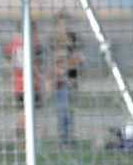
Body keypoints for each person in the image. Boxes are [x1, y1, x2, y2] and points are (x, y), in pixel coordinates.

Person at [6, 20, 44, 148]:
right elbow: (38, 64)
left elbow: (9, 65)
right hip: (29, 84)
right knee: (28, 113)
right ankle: (25, 141)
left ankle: (25, 141)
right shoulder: (33, 43)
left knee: (25, 112)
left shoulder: (13, 43)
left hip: (21, 84)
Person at [50, 10, 82, 146]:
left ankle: (68, 138)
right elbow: (50, 60)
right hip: (57, 81)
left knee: (66, 109)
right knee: (59, 110)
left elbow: (79, 58)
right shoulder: (53, 39)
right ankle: (63, 138)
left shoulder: (73, 37)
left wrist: (65, 68)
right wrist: (51, 77)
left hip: (69, 80)